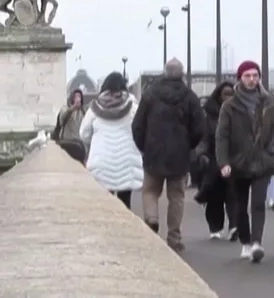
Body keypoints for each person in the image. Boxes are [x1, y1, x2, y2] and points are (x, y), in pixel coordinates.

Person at [131, 59, 204, 250]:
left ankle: (152, 219)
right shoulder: (190, 97)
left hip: (154, 152)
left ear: (164, 72)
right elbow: (199, 128)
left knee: (150, 191)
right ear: (182, 74)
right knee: (177, 197)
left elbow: (137, 125)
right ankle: (174, 237)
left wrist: (144, 146)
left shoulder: (150, 95)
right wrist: (189, 145)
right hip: (179, 155)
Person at [215, 60, 274, 263]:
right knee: (240, 205)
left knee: (259, 203)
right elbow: (222, 135)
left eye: (255, 75)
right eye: (247, 76)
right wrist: (223, 162)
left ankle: (256, 243)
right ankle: (245, 240)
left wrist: (270, 152)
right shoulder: (229, 106)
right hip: (238, 162)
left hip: (262, 161)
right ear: (240, 78)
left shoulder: (269, 101)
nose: (252, 80)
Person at [79, 71, 143, 210]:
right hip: (127, 161)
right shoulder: (133, 107)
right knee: (125, 202)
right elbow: (141, 129)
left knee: (105, 204)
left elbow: (83, 133)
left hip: (101, 161)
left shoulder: (95, 108)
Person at [194, 81, 236, 240]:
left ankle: (234, 226)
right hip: (213, 159)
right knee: (215, 196)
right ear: (218, 95)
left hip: (234, 159)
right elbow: (203, 137)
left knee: (234, 195)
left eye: (231, 94)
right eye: (225, 94)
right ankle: (215, 227)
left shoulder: (238, 112)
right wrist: (201, 153)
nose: (228, 97)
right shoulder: (208, 113)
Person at [54, 89, 88, 163]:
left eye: (79, 96)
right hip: (67, 143)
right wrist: (73, 108)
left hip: (79, 145)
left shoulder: (83, 111)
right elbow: (62, 121)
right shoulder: (65, 108)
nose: (77, 98)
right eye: (75, 96)